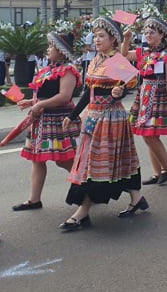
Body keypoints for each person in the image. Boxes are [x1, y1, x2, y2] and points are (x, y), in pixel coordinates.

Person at [58, 17, 146, 231]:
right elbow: (89, 91)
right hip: (93, 116)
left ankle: (83, 212)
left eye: (101, 36)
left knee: (97, 165)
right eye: (95, 36)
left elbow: (133, 82)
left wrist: (120, 92)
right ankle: (137, 198)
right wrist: (73, 114)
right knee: (108, 162)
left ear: (113, 40)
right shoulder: (96, 59)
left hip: (110, 118)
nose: (97, 40)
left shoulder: (116, 60)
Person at [12, 32, 81, 211]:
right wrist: (32, 102)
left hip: (59, 120)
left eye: (51, 46)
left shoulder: (68, 71)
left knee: (63, 159)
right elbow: (44, 94)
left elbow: (64, 97)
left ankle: (86, 184)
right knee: (37, 159)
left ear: (60, 51)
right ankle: (34, 199)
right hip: (43, 119)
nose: (48, 49)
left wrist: (40, 104)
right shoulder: (48, 70)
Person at [120, 17, 167, 186]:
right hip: (145, 94)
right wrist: (126, 39)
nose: (148, 35)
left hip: (159, 94)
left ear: (162, 35)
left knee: (149, 136)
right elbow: (123, 55)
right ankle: (157, 172)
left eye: (152, 32)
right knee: (149, 134)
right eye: (146, 32)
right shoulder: (144, 52)